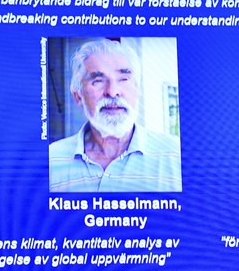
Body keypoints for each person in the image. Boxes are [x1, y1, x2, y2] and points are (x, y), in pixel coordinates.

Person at [49, 38, 182, 192]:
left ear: (137, 90)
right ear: (78, 96)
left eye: (124, 79)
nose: (112, 92)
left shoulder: (176, 156)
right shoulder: (51, 159)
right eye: (98, 81)